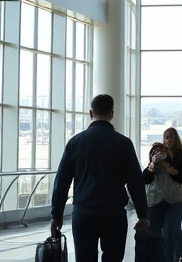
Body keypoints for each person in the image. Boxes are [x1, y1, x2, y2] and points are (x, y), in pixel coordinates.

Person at [51, 94, 148, 262]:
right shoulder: (124, 144)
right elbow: (135, 182)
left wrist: (56, 215)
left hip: (83, 214)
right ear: (112, 113)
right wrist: (143, 215)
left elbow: (62, 182)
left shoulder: (75, 142)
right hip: (114, 216)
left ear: (90, 113)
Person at [143, 143, 182, 262]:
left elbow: (181, 177)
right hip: (153, 203)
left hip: (173, 202)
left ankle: (172, 258)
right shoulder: (150, 168)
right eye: (155, 152)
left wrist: (168, 167)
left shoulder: (172, 166)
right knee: (153, 235)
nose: (159, 155)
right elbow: (144, 179)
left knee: (169, 233)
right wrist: (153, 165)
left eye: (161, 152)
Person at [161, 127, 182, 262]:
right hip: (162, 196)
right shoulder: (161, 155)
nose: (168, 140)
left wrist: (172, 171)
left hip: (178, 197)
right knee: (171, 227)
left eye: (171, 137)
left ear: (176, 139)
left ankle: (171, 257)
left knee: (170, 228)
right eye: (166, 137)